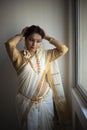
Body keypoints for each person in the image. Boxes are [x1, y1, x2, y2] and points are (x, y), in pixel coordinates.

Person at [5, 25, 69, 130]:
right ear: (25, 39)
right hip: (26, 103)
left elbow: (63, 49)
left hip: (46, 100)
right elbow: (9, 44)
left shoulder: (46, 55)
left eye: (38, 41)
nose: (34, 44)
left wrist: (47, 37)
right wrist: (21, 35)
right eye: (31, 40)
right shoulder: (19, 57)